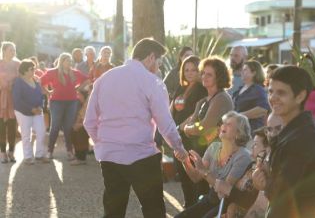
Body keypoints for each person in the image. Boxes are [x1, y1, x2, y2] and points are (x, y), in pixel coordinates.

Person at [84, 38, 188, 218]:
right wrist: (179, 148)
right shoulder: (152, 82)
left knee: (113, 210)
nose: (158, 67)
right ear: (151, 57)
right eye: (159, 62)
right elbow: (165, 123)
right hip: (142, 154)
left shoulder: (105, 78)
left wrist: (102, 143)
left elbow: (89, 121)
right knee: (153, 209)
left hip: (110, 154)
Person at [252, 66, 315, 218]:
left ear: (300, 96)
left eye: (281, 92)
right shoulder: (291, 131)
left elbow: (284, 193)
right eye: (271, 91)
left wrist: (263, 184)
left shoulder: (303, 138)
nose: (273, 98)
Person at [175, 111, 252, 218]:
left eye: (228, 124)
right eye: (223, 123)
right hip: (211, 199)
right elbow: (196, 177)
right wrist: (185, 160)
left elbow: (223, 193)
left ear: (239, 133)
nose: (222, 126)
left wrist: (204, 171)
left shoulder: (243, 156)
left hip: (227, 205)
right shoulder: (214, 147)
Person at [171, 55, 207, 208]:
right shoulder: (181, 87)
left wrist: (180, 128)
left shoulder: (202, 89)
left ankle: (198, 206)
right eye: (186, 70)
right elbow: (172, 107)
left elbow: (197, 114)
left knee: (195, 172)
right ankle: (188, 203)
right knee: (182, 170)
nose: (189, 73)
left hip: (192, 136)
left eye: (193, 70)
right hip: (178, 135)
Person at [40, 53, 88, 159]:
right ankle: (50, 151)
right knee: (55, 126)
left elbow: (87, 80)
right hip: (56, 102)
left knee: (68, 127)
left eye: (71, 61)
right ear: (62, 61)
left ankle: (69, 151)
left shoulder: (74, 72)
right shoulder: (53, 72)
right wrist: (48, 92)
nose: (70, 62)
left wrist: (78, 88)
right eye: (68, 60)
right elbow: (40, 82)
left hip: (72, 102)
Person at [12, 60, 49, 165]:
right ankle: (28, 157)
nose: (34, 70)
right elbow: (17, 100)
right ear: (24, 71)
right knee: (26, 134)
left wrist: (40, 107)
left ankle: (39, 155)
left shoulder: (35, 80)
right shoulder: (18, 82)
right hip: (23, 112)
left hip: (37, 111)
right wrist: (31, 109)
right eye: (32, 69)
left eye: (34, 68)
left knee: (41, 132)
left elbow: (40, 95)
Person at [233, 60, 269, 135]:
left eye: (245, 70)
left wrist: (239, 116)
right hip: (239, 132)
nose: (242, 72)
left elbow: (263, 109)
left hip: (252, 133)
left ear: (254, 73)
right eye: (242, 70)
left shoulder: (258, 89)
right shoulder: (240, 89)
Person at [0, 41, 20, 163]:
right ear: (4, 51)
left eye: (14, 50)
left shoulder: (18, 64)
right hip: (0, 96)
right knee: (1, 126)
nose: (12, 52)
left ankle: (11, 152)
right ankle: (2, 153)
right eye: (10, 50)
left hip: (14, 98)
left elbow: (24, 79)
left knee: (13, 126)